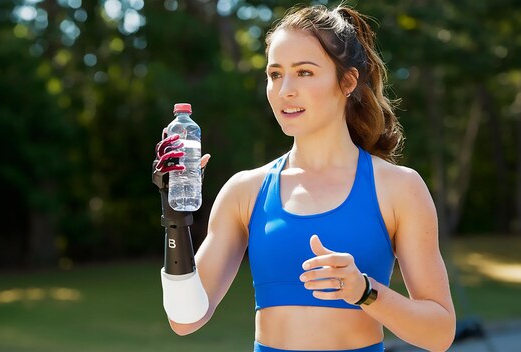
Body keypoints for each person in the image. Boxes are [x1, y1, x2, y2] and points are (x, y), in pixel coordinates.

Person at [153, 4, 455, 352]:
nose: (285, 91)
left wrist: (365, 292)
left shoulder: (400, 188)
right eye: (275, 74)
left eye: (305, 73)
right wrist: (175, 220)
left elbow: (440, 333)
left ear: (347, 81)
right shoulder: (244, 191)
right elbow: (185, 319)